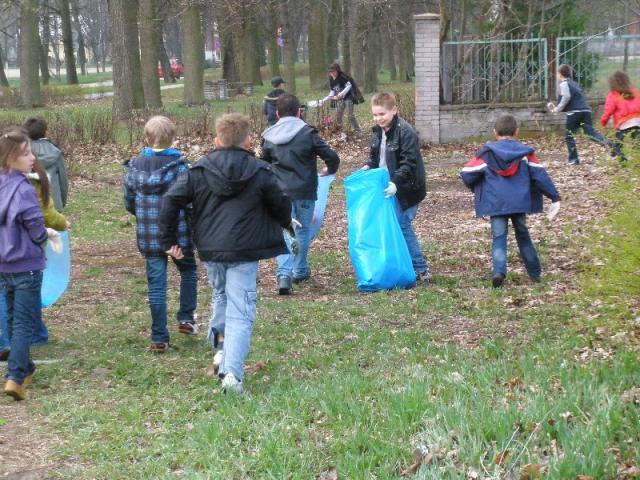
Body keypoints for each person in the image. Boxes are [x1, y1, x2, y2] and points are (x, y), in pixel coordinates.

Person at [159, 113, 293, 394]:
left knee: (221, 296)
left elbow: (170, 199)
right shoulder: (260, 171)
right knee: (241, 311)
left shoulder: (198, 171)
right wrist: (285, 223)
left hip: (211, 249)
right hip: (245, 250)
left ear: (216, 141)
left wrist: (167, 240)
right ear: (248, 141)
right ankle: (232, 374)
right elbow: (280, 202)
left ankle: (221, 348)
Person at [123, 116, 198, 354]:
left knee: (156, 285)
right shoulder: (181, 168)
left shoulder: (134, 168)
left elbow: (129, 202)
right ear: (173, 139)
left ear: (146, 138)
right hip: (179, 234)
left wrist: (143, 215)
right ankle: (186, 317)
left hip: (150, 235)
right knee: (188, 271)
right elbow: (190, 202)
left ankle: (158, 337)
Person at [460, 114, 561, 288]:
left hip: (496, 203)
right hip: (519, 203)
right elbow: (540, 176)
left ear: (495, 132)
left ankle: (498, 272)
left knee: (499, 237)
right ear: (517, 132)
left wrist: (476, 187)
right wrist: (554, 196)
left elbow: (467, 173)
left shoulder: (486, 154)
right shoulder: (525, 154)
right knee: (523, 235)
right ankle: (535, 273)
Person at [261, 93, 340, 294]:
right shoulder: (308, 133)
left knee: (285, 230)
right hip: (305, 191)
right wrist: (329, 170)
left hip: (280, 193)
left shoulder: (269, 137)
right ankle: (300, 270)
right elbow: (332, 157)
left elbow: (263, 165)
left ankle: (284, 274)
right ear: (299, 112)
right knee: (302, 231)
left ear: (277, 114)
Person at [0, 128, 58, 400]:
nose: (32, 158)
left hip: (4, 265)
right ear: (10, 158)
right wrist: (46, 236)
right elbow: (35, 225)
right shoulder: (23, 188)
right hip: (26, 265)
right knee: (24, 322)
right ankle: (15, 377)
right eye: (25, 154)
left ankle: (26, 367)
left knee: (14, 318)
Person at [0, 159, 69, 359]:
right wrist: (60, 225)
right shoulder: (31, 183)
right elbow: (44, 214)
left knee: (13, 296)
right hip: (25, 252)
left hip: (8, 251)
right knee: (25, 296)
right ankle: (18, 348)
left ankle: (21, 341)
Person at [362, 92, 430, 283]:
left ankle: (421, 268)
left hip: (407, 188)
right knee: (391, 225)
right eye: (375, 115)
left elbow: (409, 163)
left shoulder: (405, 132)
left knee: (402, 224)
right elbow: (376, 158)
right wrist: (368, 166)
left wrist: (396, 183)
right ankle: (401, 264)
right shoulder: (378, 131)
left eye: (382, 114)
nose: (378, 118)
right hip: (388, 186)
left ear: (394, 110)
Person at [552, 64, 608, 165]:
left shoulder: (563, 84)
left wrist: (557, 108)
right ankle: (611, 145)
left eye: (557, 73)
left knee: (569, 136)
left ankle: (574, 159)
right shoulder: (575, 84)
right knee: (590, 133)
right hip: (586, 111)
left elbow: (566, 97)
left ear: (560, 74)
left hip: (574, 113)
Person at [22, 117, 69, 212]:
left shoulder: (21, 152)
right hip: (53, 205)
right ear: (45, 132)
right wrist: (61, 203)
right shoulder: (56, 152)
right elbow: (63, 182)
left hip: (27, 206)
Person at [600, 70, 640, 163]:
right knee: (637, 143)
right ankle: (636, 161)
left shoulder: (613, 94)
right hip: (638, 121)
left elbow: (608, 111)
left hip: (624, 123)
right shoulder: (635, 92)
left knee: (618, 144)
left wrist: (603, 122)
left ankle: (623, 162)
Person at [323, 63, 363, 132]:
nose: (332, 73)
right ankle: (340, 129)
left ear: (337, 70)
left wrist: (341, 94)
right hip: (340, 99)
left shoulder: (342, 77)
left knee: (350, 115)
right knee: (338, 114)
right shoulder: (331, 79)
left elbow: (349, 85)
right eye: (330, 72)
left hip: (348, 98)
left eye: (333, 71)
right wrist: (325, 99)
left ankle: (357, 130)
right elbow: (332, 90)